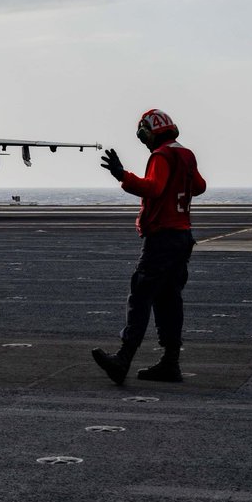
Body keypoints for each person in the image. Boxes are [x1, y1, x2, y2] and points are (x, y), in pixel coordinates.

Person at [91, 109, 206, 385]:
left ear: (150, 131)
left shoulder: (161, 156)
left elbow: (153, 188)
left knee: (141, 296)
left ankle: (123, 359)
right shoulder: (186, 154)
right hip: (182, 236)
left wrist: (122, 175)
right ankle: (170, 362)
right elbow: (199, 186)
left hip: (162, 239)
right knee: (169, 299)